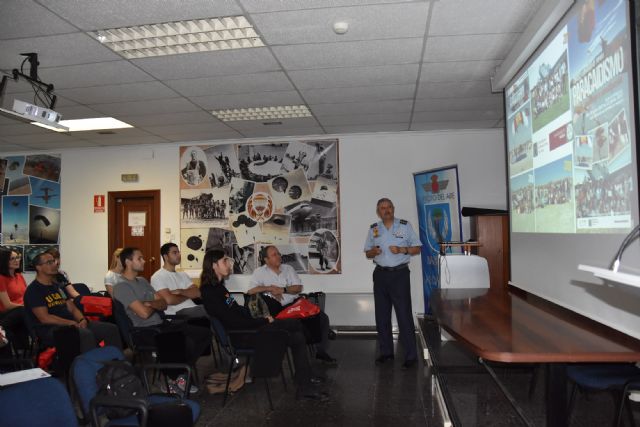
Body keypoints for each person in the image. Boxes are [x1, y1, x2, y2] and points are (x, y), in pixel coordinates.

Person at [199, 249, 329, 401]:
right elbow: (233, 321)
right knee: (294, 326)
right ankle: (304, 382)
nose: (229, 264)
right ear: (214, 265)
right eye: (225, 261)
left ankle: (304, 381)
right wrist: (263, 321)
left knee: (297, 336)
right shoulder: (210, 292)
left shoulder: (219, 288)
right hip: (243, 336)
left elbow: (236, 311)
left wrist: (260, 316)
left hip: (249, 329)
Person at [112, 247, 212, 394]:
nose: (144, 261)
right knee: (184, 341)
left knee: (203, 334)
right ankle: (172, 380)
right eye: (139, 258)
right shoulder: (121, 287)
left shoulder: (143, 281)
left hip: (160, 324)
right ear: (128, 262)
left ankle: (181, 372)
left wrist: (150, 304)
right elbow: (144, 314)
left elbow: (163, 303)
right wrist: (153, 304)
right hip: (143, 331)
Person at [248, 245, 337, 365]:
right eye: (274, 255)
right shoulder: (259, 272)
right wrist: (269, 288)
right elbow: (251, 291)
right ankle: (305, 346)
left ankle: (321, 351)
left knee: (322, 317)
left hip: (294, 304)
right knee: (302, 326)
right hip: (277, 309)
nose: (279, 256)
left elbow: (298, 287)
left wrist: (282, 290)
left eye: (279, 253)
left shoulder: (288, 269)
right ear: (266, 259)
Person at [24, 252, 122, 353]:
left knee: (110, 329)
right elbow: (45, 318)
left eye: (53, 261)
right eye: (49, 262)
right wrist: (70, 323)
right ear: (38, 267)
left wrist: (81, 319)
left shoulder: (57, 287)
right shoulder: (34, 290)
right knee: (85, 334)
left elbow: (72, 308)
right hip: (51, 329)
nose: (54, 264)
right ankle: (90, 366)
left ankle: (116, 363)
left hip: (73, 324)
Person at [363, 198, 421, 369]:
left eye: (389, 207)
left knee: (404, 315)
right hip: (380, 275)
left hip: (400, 275)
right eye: (382, 208)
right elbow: (367, 253)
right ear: (378, 211)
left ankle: (411, 355)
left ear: (393, 209)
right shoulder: (374, 228)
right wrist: (372, 252)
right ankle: (386, 353)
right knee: (382, 316)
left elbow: (417, 248)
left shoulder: (405, 225)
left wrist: (403, 249)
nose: (386, 210)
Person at [151, 243, 207, 318]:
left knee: (216, 307)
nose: (178, 255)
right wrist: (188, 295)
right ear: (166, 256)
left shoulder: (183, 274)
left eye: (178, 252)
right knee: (212, 309)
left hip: (193, 308)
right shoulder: (157, 276)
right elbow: (169, 300)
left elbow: (197, 292)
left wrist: (180, 292)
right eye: (174, 253)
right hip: (177, 313)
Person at [0, 249, 28, 351]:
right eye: (12, 258)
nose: (16, 260)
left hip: (21, 312)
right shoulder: (1, 278)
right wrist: (25, 307)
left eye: (17, 257)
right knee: (24, 311)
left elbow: (26, 297)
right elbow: (7, 305)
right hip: (6, 313)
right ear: (4, 261)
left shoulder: (19, 276)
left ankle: (25, 352)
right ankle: (1, 327)